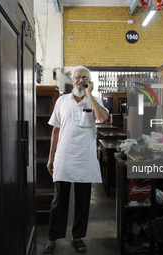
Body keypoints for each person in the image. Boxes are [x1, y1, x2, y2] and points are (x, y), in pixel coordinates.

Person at [42, 66, 109, 255]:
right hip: (64, 156)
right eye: (78, 77)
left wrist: (90, 94)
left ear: (89, 81)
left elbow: (103, 118)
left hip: (85, 158)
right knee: (58, 201)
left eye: (84, 78)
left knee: (83, 200)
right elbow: (55, 130)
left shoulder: (94, 100)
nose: (80, 80)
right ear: (72, 81)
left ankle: (77, 237)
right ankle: (52, 238)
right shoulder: (62, 101)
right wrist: (51, 157)